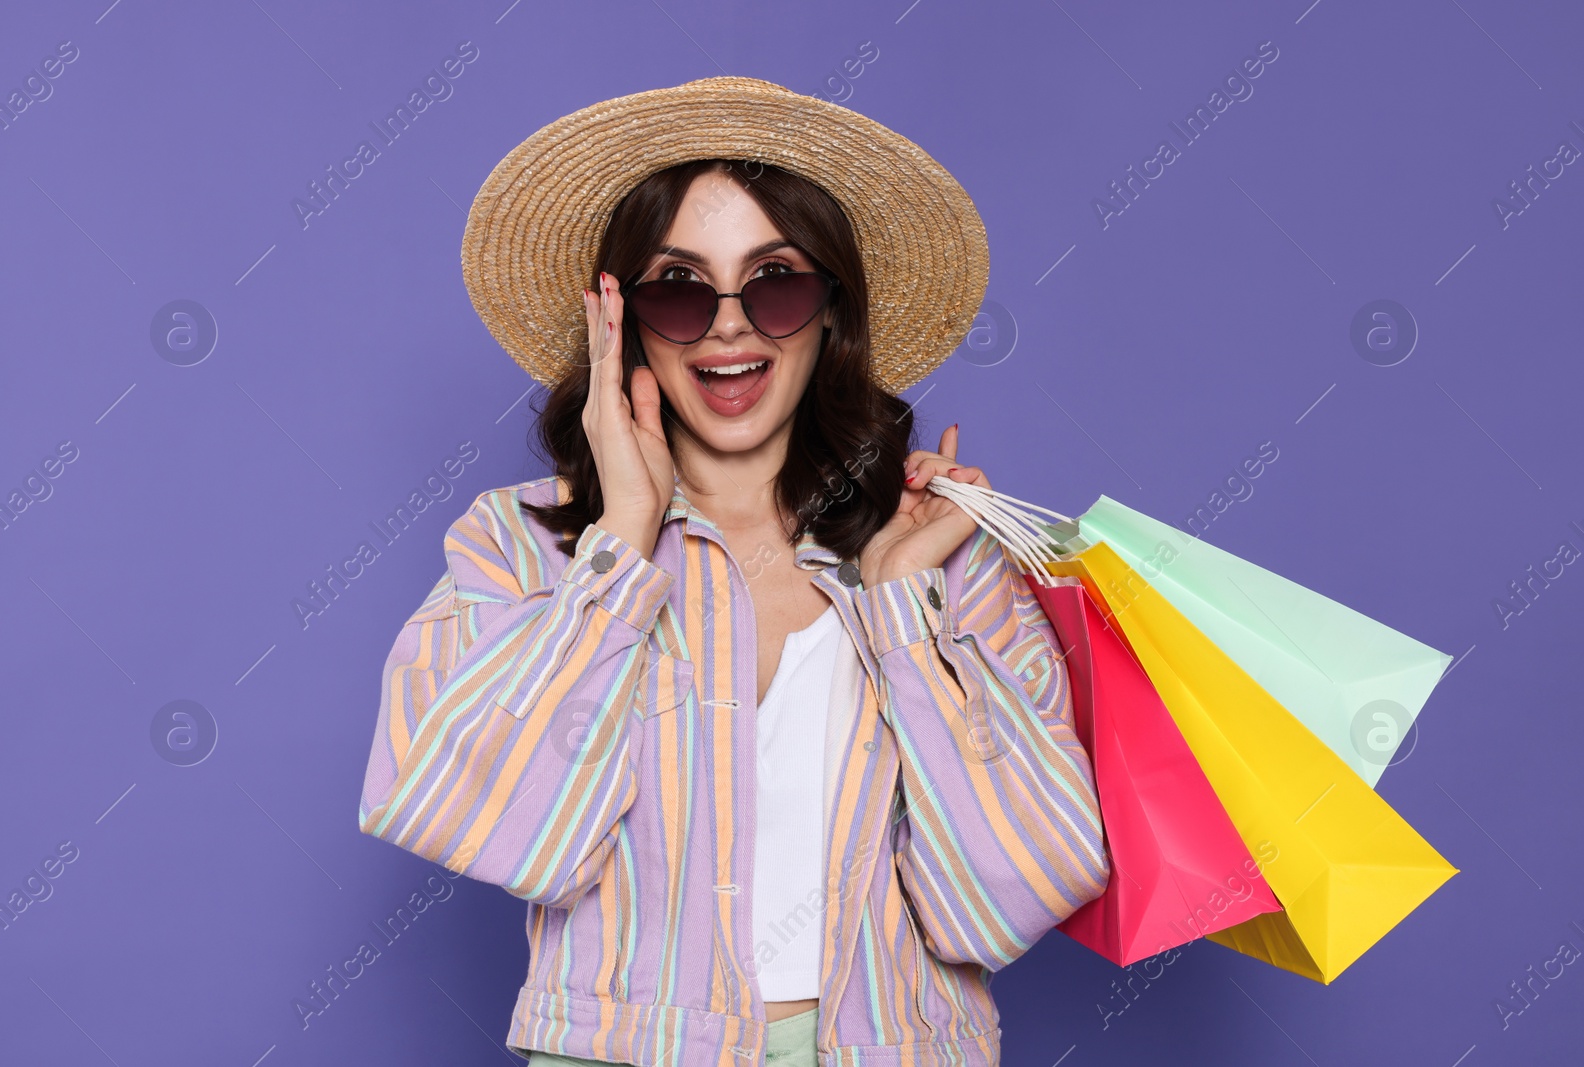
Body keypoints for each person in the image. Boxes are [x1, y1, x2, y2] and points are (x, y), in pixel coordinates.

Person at [358, 76, 1108, 1067]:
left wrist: (900, 612)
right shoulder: (519, 543)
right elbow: (488, 824)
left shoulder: (946, 560)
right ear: (619, 320)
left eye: (776, 280)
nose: (729, 323)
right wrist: (621, 541)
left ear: (827, 312)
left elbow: (1013, 890)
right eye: (678, 286)